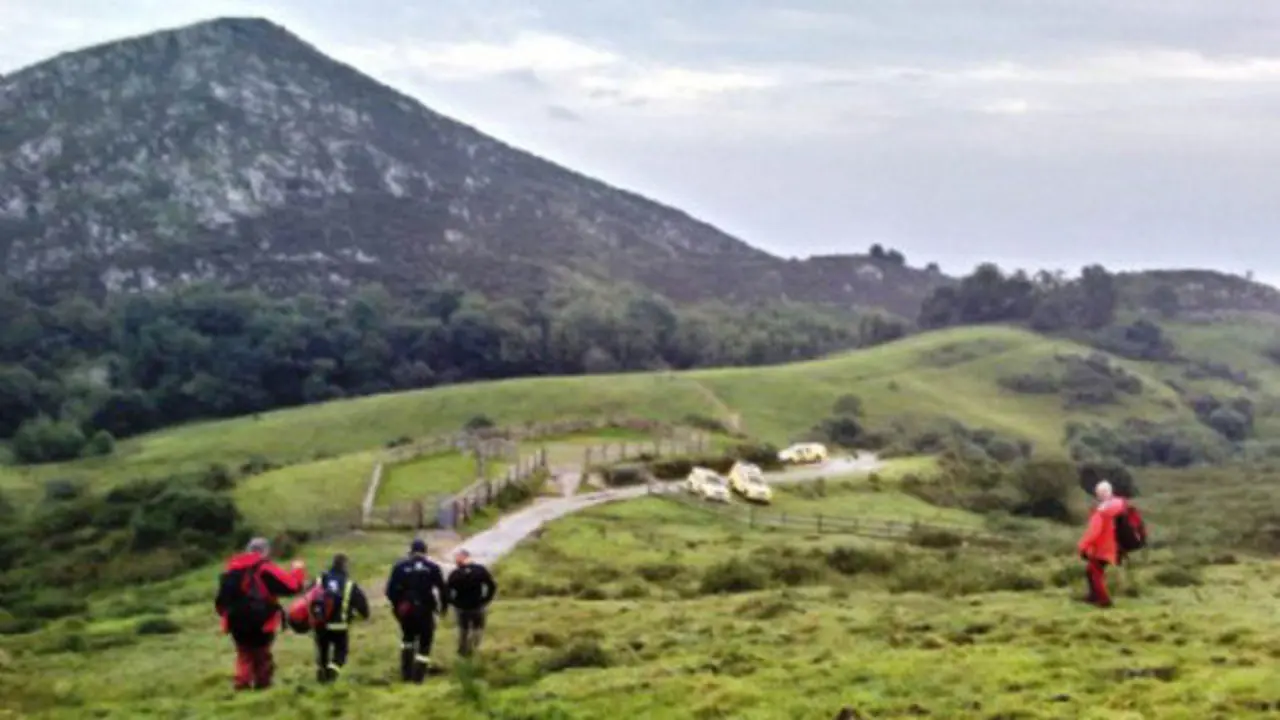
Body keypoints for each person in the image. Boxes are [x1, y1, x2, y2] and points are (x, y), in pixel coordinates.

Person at [214, 538, 306, 690]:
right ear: (265, 551)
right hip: (261, 619)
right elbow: (292, 586)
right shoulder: (264, 568)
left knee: (244, 654)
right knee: (262, 654)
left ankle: (242, 684)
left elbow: (222, 599)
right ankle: (263, 686)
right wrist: (298, 569)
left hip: (235, 620)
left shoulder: (232, 568)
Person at [385, 538, 448, 683]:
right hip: (425, 610)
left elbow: (389, 591)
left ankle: (406, 674)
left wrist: (397, 606)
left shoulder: (400, 567)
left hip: (406, 611)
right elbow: (443, 590)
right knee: (425, 641)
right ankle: (419, 676)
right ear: (425, 552)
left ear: (411, 551)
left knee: (408, 639)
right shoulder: (432, 567)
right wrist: (443, 608)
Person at [310, 553, 370, 683]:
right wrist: (364, 615)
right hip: (340, 626)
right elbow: (362, 605)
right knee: (341, 652)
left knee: (322, 650)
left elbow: (309, 597)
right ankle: (333, 671)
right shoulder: (349, 584)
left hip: (321, 624)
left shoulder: (320, 579)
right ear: (344, 566)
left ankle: (322, 672)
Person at [1077, 480, 1128, 608]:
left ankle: (1104, 600)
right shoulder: (1117, 506)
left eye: (1100, 492)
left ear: (1106, 492)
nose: (1099, 495)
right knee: (1090, 571)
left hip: (1102, 548)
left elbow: (1094, 531)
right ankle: (1093, 596)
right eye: (1098, 492)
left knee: (1095, 572)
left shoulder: (1102, 511)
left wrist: (1082, 545)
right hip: (1112, 547)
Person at [446, 548, 498, 657]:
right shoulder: (480, 570)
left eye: (457, 558)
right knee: (478, 628)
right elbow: (491, 585)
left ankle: (463, 652)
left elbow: (446, 591)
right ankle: (475, 649)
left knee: (463, 629)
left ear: (463, 557)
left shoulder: (455, 574)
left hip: (462, 607)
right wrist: (486, 599)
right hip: (478, 605)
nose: (455, 561)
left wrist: (454, 603)